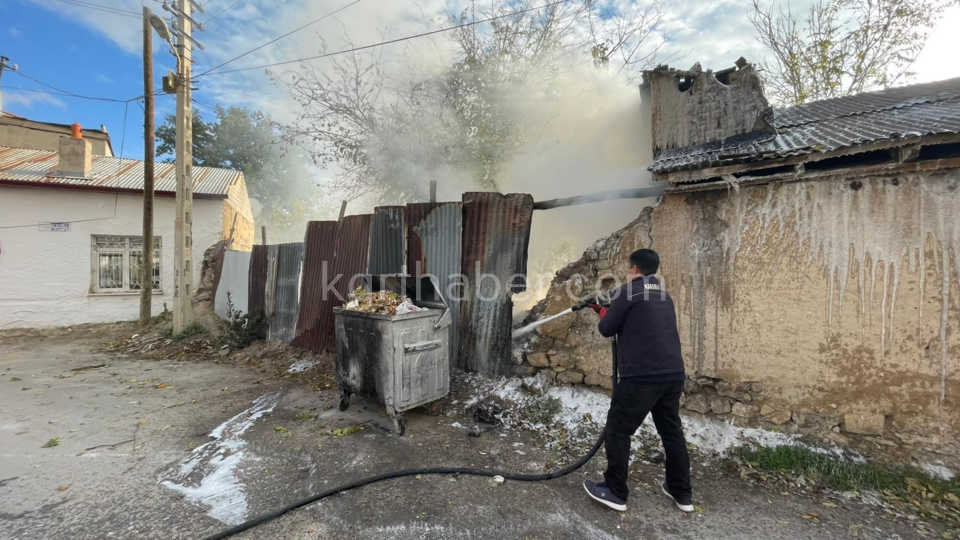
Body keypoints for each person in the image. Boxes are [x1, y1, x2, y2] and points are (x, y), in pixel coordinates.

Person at [582, 248, 693, 513]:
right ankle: (682, 493)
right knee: (671, 433)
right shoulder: (664, 295)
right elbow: (642, 323)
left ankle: (615, 491)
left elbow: (607, 329)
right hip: (673, 374)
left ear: (634, 269)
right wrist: (609, 311)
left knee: (619, 430)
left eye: (628, 268)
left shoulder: (628, 290)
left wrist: (602, 312)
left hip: (641, 376)